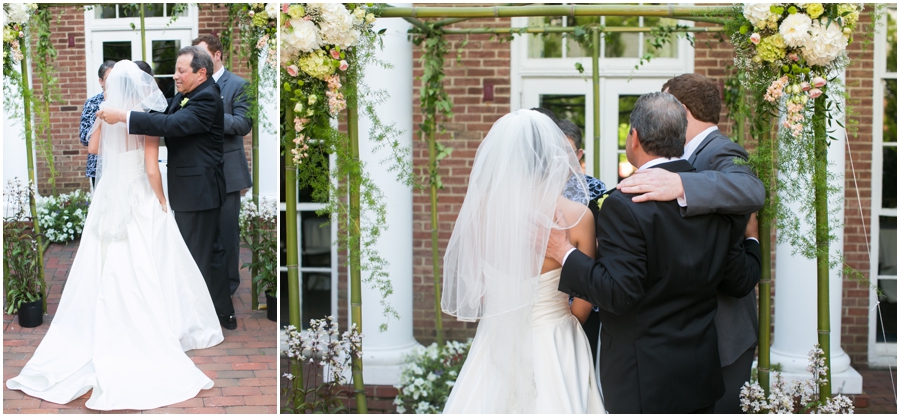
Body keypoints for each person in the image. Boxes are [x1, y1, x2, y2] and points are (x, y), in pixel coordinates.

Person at [6, 60, 224, 411]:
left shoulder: (107, 115)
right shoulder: (145, 117)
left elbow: (93, 150)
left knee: (102, 257)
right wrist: (162, 200)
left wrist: (103, 122)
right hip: (138, 193)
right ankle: (157, 322)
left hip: (109, 193)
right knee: (148, 260)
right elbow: (152, 168)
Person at [547, 92, 762, 413]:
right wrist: (752, 241)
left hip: (642, 376)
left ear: (633, 138)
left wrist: (565, 253)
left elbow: (618, 294)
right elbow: (737, 279)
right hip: (701, 368)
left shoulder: (626, 203)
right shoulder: (713, 197)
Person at [618, 73, 766, 413]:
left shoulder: (722, 150)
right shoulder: (681, 155)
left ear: (681, 110)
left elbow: (753, 190)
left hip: (724, 333)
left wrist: (682, 186)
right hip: (685, 332)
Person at [441, 109, 605, 413]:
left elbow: (477, 284)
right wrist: (555, 322)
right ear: (553, 157)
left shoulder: (480, 212)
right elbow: (584, 301)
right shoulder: (577, 216)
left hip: (497, 337)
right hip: (557, 341)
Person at [97, 46, 236, 330]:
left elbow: (172, 123)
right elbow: (164, 109)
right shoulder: (190, 94)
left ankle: (198, 320)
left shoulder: (207, 98)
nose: (175, 76)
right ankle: (223, 313)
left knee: (195, 258)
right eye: (175, 70)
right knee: (212, 252)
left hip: (198, 192)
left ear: (201, 72)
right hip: (197, 189)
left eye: (181, 71)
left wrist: (125, 115)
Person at [193, 34, 253, 296]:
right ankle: (203, 286)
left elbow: (243, 124)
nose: (198, 62)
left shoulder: (239, 85)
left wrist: (211, 116)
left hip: (228, 173)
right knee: (202, 233)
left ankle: (228, 290)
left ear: (217, 55)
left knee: (228, 233)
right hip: (198, 172)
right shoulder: (193, 85)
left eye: (202, 56)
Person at [556, 118, 606, 366]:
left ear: (578, 154)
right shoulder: (527, 191)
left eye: (566, 152)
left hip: (586, 297)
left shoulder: (596, 191)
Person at [79, 60, 116, 189]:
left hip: (123, 165)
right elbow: (84, 138)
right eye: (109, 79)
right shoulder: (92, 103)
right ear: (101, 81)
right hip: (98, 165)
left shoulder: (128, 102)